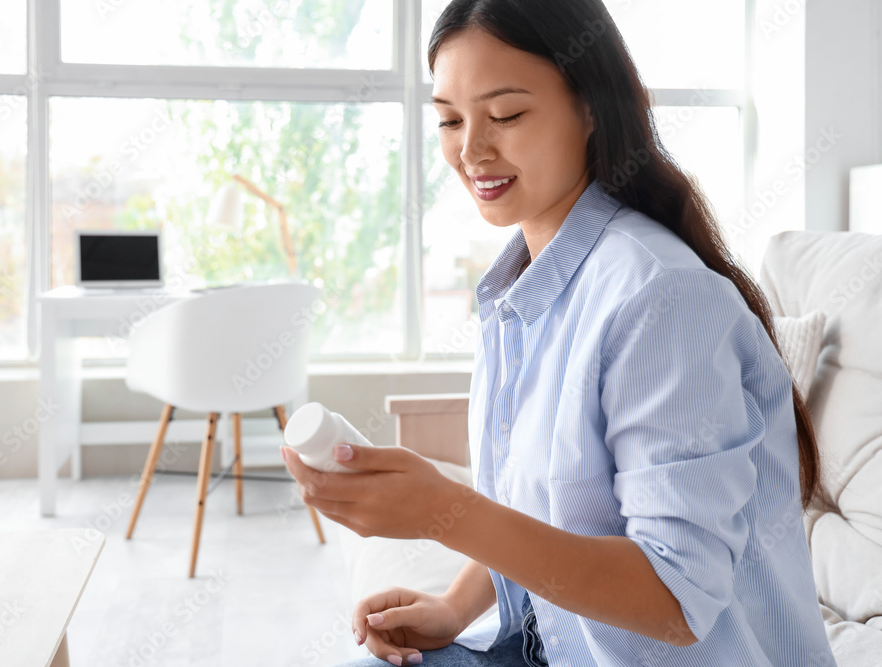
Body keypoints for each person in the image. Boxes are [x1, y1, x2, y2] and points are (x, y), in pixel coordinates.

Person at [281, 1, 837, 665]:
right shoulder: (521, 289)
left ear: (592, 107)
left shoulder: (662, 297)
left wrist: (444, 512)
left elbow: (676, 599)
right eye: (450, 120)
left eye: (507, 114)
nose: (469, 150)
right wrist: (454, 607)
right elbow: (547, 504)